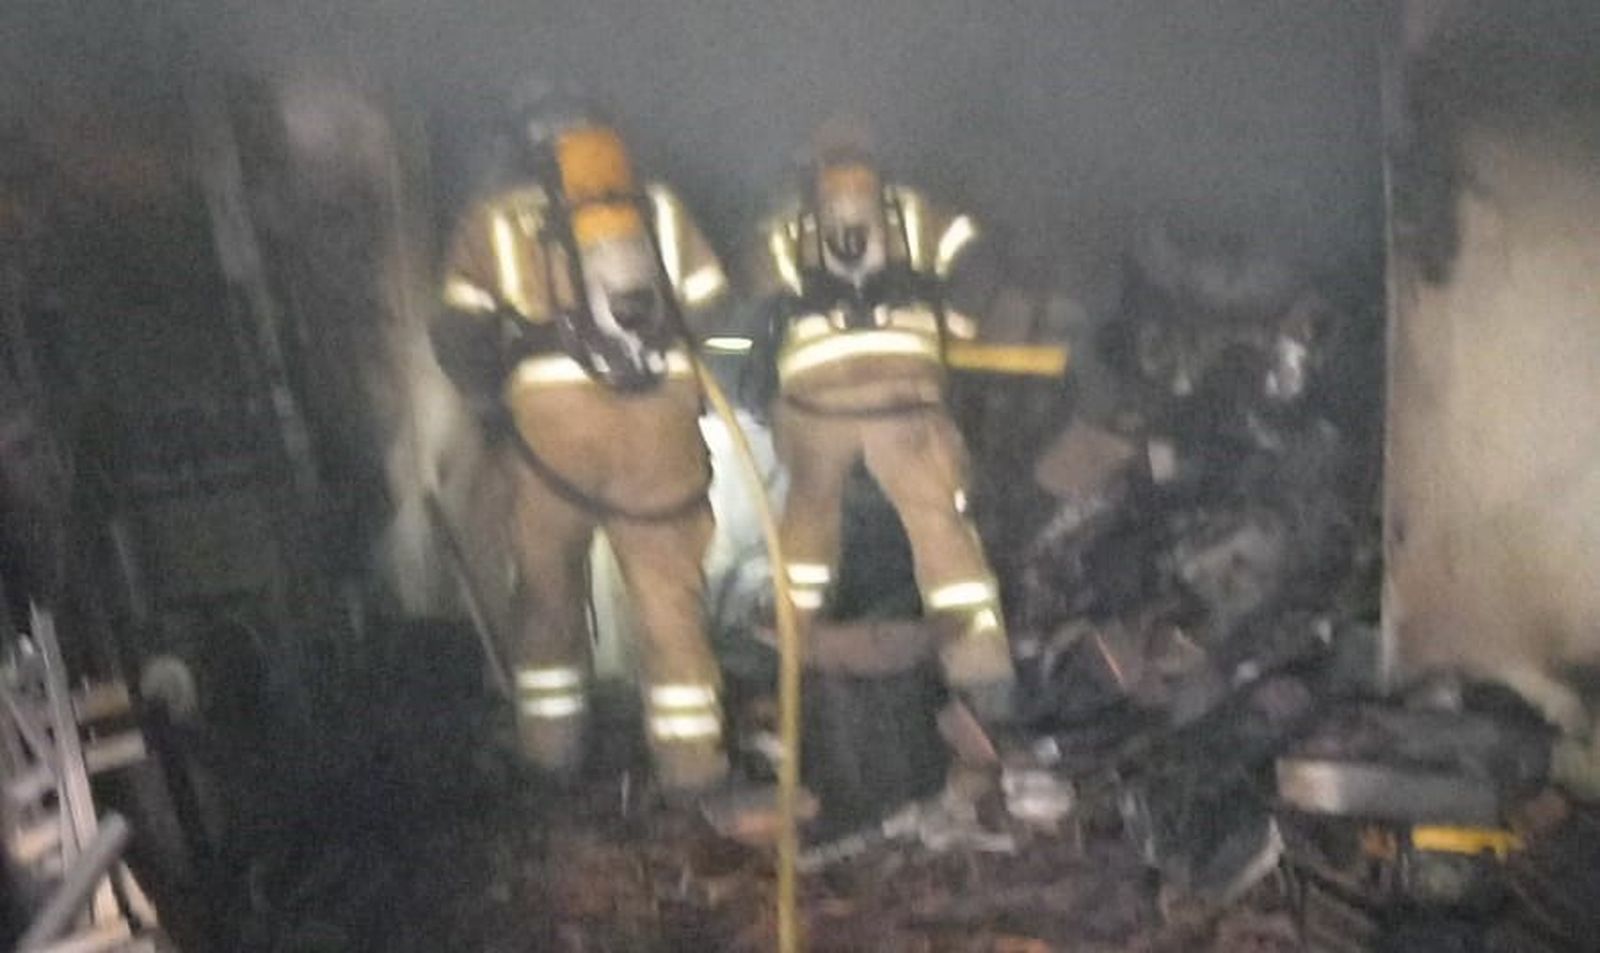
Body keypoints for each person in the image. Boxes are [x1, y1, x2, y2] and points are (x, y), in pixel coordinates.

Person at [430, 87, 732, 793]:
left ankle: (550, 758)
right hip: (659, 430)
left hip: (551, 438)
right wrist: (674, 377)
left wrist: (493, 404)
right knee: (670, 604)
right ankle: (692, 768)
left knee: (547, 597)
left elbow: (457, 333)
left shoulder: (495, 220)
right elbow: (715, 309)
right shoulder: (660, 209)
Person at [744, 121, 1015, 721]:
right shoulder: (916, 215)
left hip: (817, 409)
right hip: (906, 400)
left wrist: (777, 360)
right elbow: (982, 261)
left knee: (807, 523)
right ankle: (983, 678)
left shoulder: (788, 229)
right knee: (941, 527)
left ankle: (786, 660)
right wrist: (956, 328)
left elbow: (758, 300)